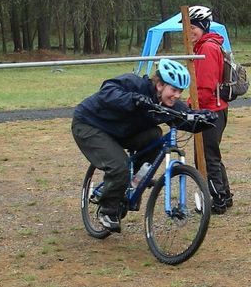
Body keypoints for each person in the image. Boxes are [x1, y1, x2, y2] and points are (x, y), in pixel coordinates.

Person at [71, 59, 217, 232]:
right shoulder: (135, 84)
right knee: (120, 167)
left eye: (180, 91)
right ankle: (107, 210)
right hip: (91, 125)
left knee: (155, 135)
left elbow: (186, 117)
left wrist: (205, 118)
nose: (177, 95)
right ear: (160, 85)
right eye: (173, 90)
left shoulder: (168, 104)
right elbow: (107, 91)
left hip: (123, 131)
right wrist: (133, 99)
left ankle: (135, 181)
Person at [187, 5, 232, 214]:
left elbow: (204, 87)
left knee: (206, 157)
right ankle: (225, 195)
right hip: (215, 109)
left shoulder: (207, 48)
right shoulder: (206, 45)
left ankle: (218, 200)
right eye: (187, 28)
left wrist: (189, 107)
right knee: (212, 154)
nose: (189, 32)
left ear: (203, 26)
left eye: (193, 27)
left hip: (210, 110)